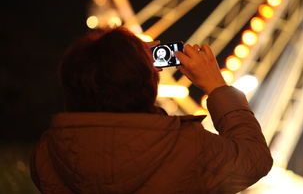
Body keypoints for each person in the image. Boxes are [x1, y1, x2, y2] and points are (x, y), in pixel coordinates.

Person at [30, 26, 273, 194]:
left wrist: (126, 61)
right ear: (148, 82)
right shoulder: (186, 146)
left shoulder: (47, 153)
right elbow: (255, 158)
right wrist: (217, 87)